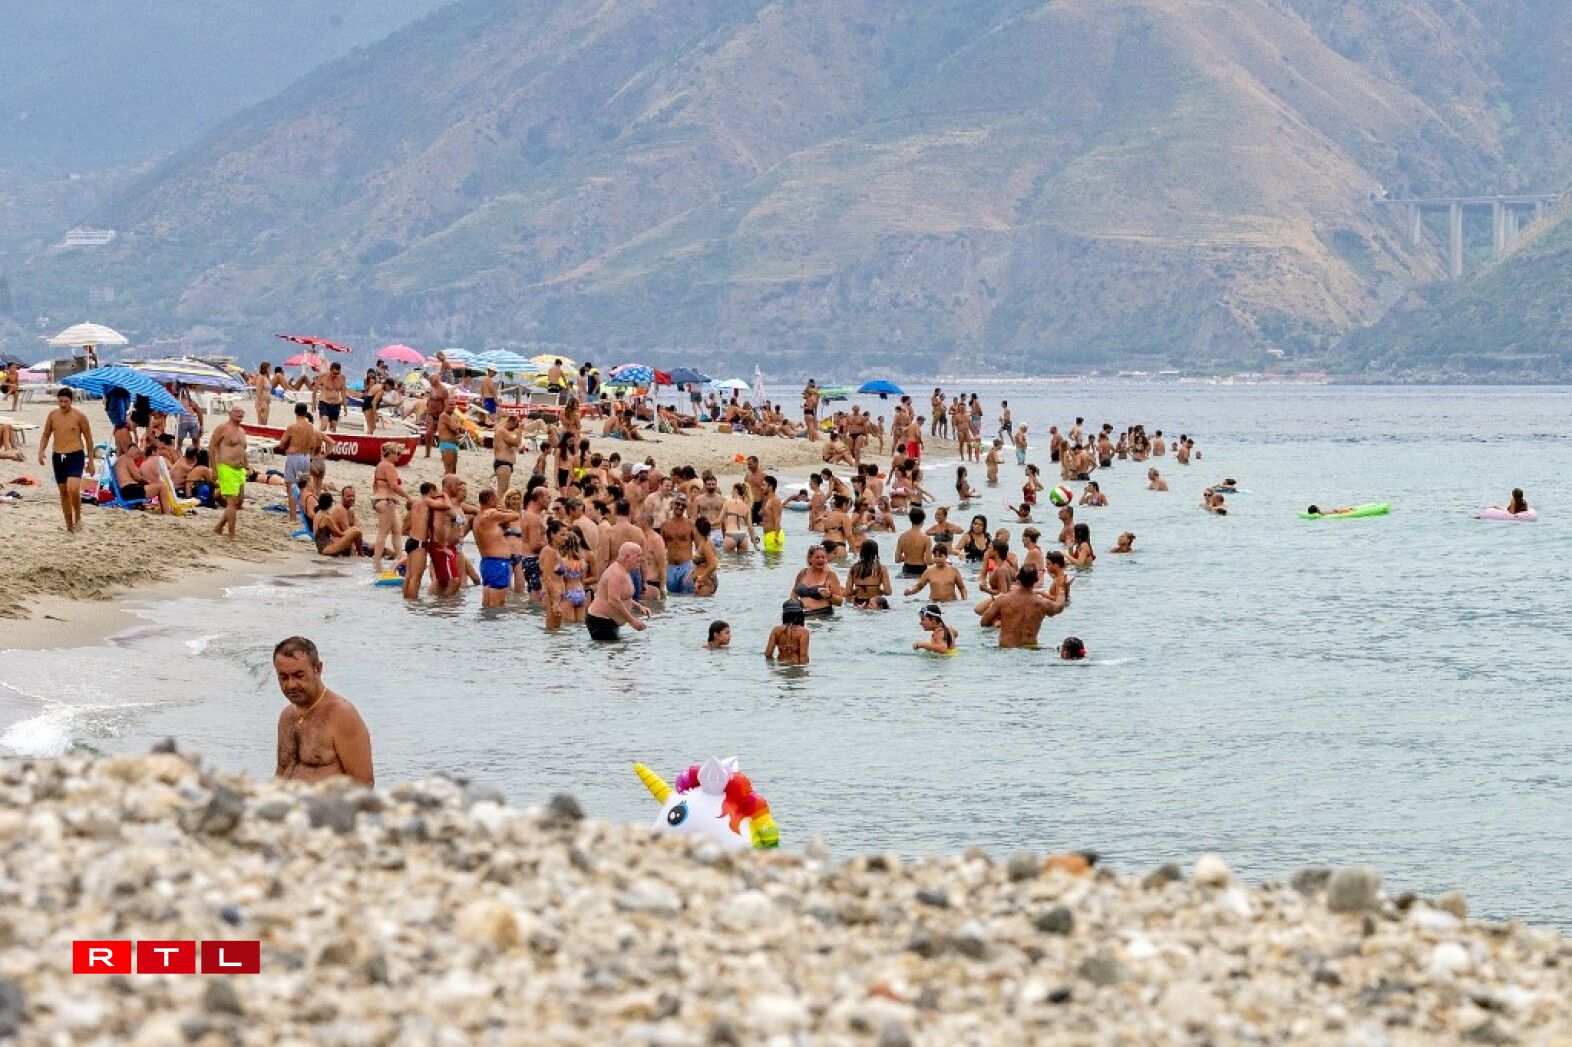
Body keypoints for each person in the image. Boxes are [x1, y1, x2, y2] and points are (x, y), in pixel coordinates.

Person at [272, 636, 373, 787]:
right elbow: (281, 772)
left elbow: (364, 783)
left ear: (318, 669)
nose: (291, 684)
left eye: (298, 675)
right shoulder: (286, 717)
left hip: (326, 802)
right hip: (287, 802)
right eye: (283, 677)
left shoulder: (341, 715)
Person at [37, 389, 94, 532]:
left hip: (75, 455)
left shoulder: (79, 416)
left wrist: (91, 461)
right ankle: (69, 526)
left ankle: (78, 517)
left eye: (66, 402)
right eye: (60, 401)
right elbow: (46, 434)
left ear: (71, 401)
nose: (63, 404)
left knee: (73, 488)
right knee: (63, 492)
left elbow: (88, 439)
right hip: (58, 455)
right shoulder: (53, 415)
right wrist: (41, 451)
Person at [979, 566, 1065, 648]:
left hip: (1006, 649)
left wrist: (1000, 618)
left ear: (1018, 578)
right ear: (1036, 579)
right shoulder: (1042, 603)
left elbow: (984, 622)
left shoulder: (1002, 600)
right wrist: (1062, 590)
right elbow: (1059, 607)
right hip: (1030, 649)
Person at [585, 541, 650, 640]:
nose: (642, 559)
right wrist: (632, 621)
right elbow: (613, 600)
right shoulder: (616, 573)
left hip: (610, 621)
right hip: (600, 620)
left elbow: (622, 597)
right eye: (638, 556)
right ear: (627, 557)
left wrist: (639, 606)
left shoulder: (624, 571)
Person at [473, 488, 521, 609]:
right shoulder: (492, 515)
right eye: (497, 499)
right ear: (490, 500)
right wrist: (501, 509)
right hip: (498, 563)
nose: (499, 502)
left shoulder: (477, 517)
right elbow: (515, 515)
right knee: (497, 605)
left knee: (487, 604)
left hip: (486, 563)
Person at [208, 405, 250, 540]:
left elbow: (243, 450)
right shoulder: (223, 428)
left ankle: (218, 527)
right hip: (226, 467)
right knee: (232, 502)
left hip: (240, 469)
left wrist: (247, 466)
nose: (240, 413)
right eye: (237, 411)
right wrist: (214, 469)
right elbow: (212, 447)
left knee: (239, 501)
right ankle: (232, 533)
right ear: (230, 413)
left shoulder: (242, 431)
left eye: (242, 411)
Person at [789, 545, 842, 616]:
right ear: (809, 559)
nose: (821, 559)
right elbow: (794, 592)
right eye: (817, 557)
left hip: (822, 615)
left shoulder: (830, 575)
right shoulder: (803, 573)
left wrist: (829, 596)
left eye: (823, 557)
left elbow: (840, 602)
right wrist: (792, 606)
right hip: (802, 614)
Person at [312, 493, 365, 558]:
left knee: (354, 529)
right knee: (357, 532)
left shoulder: (317, 514)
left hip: (320, 547)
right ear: (330, 504)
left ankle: (359, 553)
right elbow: (337, 534)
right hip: (326, 548)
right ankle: (360, 554)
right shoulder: (326, 518)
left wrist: (350, 531)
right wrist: (349, 534)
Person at [845, 539, 892, 609]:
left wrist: (858, 589)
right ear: (876, 552)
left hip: (858, 602)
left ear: (861, 552)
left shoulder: (853, 568)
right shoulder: (882, 569)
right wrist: (877, 589)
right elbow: (888, 592)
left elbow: (847, 592)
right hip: (875, 604)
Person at [894, 507, 931, 577]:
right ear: (922, 521)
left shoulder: (902, 537)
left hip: (907, 568)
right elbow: (929, 561)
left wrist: (908, 556)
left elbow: (897, 559)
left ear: (910, 520)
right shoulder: (926, 538)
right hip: (921, 569)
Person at [692, 517, 720, 596]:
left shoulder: (706, 544)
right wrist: (693, 572)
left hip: (705, 582)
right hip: (705, 581)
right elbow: (704, 562)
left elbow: (713, 565)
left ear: (696, 529)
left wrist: (701, 578)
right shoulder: (704, 542)